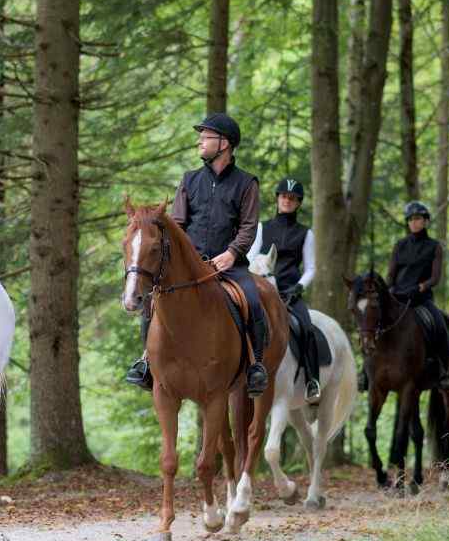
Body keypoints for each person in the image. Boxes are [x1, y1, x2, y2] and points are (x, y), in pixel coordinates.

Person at [125, 112, 269, 397]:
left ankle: (255, 366)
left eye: (205, 137)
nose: (199, 142)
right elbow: (177, 225)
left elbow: (249, 226)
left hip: (229, 264)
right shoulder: (189, 180)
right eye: (200, 137)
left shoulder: (246, 183)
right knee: (152, 302)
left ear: (224, 143)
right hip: (190, 267)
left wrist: (232, 253)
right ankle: (146, 362)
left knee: (252, 300)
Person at [359, 201, 449, 392]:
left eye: (418, 218)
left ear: (426, 221)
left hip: (421, 298)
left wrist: (421, 287)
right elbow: (391, 275)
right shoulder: (400, 246)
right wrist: (389, 290)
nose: (414, 222)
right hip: (398, 297)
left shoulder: (434, 246)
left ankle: (443, 371)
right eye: (411, 219)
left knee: (439, 324)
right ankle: (365, 372)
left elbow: (435, 277)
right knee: (372, 323)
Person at [246, 178, 321, 404]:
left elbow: (310, 268)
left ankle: (312, 381)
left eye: (292, 198)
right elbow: (250, 256)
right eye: (284, 197)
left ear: (298, 203)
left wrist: (299, 287)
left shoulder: (305, 234)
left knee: (307, 328)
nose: (287, 201)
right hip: (261, 288)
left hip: (290, 292)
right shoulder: (262, 227)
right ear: (278, 199)